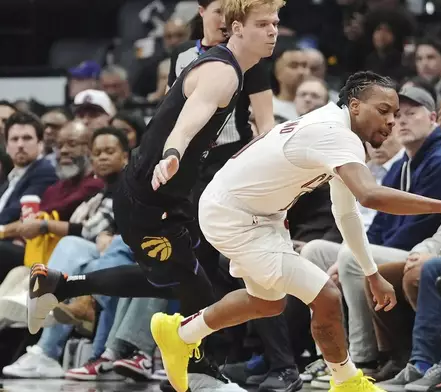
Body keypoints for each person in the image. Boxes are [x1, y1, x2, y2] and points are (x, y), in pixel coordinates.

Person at [149, 71, 441, 392]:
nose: (391, 120)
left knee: (266, 302)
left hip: (254, 212)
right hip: (233, 214)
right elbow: (371, 195)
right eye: (384, 110)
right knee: (326, 295)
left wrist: (371, 272)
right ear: (355, 105)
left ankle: (181, 334)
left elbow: (346, 212)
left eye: (396, 113)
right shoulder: (335, 134)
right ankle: (346, 381)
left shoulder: (335, 130)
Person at [26, 0, 283, 390]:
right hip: (152, 196)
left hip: (168, 195)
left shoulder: (232, 66)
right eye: (263, 23)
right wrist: (174, 153)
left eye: (276, 22)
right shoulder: (221, 73)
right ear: (236, 29)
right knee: (194, 287)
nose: (274, 30)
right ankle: (196, 370)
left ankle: (61, 285)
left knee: (175, 280)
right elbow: (187, 119)